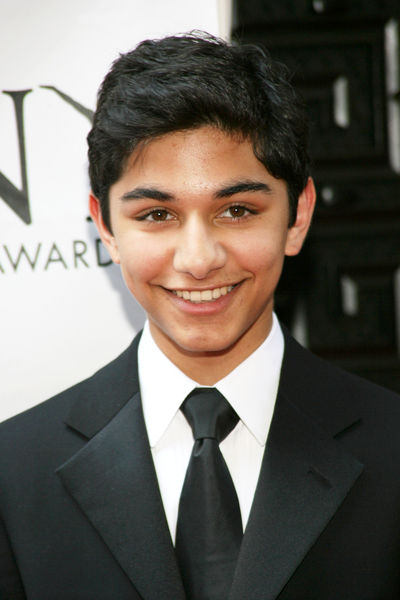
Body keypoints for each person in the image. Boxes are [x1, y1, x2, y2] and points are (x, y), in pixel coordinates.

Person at [1, 32, 400, 600]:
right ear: (106, 227)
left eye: (237, 210)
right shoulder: (14, 473)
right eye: (158, 213)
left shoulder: (392, 448)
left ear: (298, 215)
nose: (198, 259)